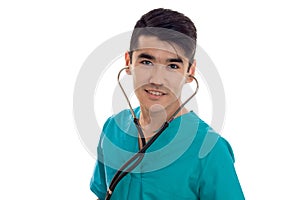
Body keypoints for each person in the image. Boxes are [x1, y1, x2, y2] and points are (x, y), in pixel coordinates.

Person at [90, 8, 245, 200]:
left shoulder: (210, 150)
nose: (157, 79)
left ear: (190, 71)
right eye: (147, 62)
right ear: (129, 61)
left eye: (173, 66)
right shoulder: (113, 128)